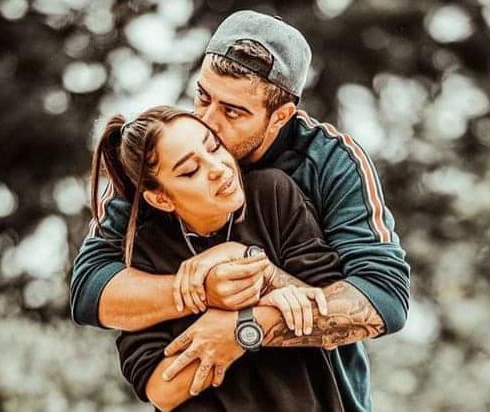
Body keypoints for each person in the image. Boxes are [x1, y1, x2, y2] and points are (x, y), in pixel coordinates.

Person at [71, 10, 410, 412]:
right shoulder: (164, 156)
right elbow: (90, 288)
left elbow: (384, 296)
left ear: (280, 116)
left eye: (232, 111)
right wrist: (202, 288)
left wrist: (246, 326)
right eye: (203, 97)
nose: (208, 122)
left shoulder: (330, 163)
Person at [89, 105, 347, 410]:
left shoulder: (273, 194)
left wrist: (254, 284)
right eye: (190, 170)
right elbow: (161, 389)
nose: (218, 169)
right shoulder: (145, 252)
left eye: (213, 147)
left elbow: (331, 314)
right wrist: (237, 321)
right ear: (161, 198)